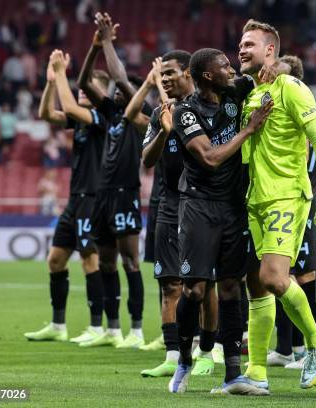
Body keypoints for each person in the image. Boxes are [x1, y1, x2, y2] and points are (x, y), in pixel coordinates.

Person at [232, 20, 316, 395]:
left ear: (270, 50)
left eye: (250, 44)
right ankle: (257, 373)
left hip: (287, 196)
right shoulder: (249, 92)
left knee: (274, 278)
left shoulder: (292, 88)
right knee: (257, 288)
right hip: (256, 200)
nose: (241, 50)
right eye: (240, 44)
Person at [167, 48, 272, 394]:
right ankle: (184, 358)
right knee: (195, 290)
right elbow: (210, 157)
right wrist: (250, 129)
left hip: (233, 205)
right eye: (224, 66)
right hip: (198, 204)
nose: (231, 69)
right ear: (207, 76)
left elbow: (263, 74)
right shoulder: (185, 112)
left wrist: (268, 68)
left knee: (230, 286)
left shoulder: (234, 91)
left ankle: (232, 373)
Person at [263, 55, 316, 367]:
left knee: (306, 274)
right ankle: (288, 347)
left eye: (280, 75)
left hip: (302, 200)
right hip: (287, 198)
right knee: (286, 274)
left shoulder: (303, 109)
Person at [24, 50, 109, 344]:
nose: (81, 92)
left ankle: (97, 327)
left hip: (93, 199)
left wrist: (61, 72)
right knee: (55, 260)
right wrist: (51, 82)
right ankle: (58, 326)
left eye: (87, 89)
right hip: (75, 200)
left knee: (89, 259)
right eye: (80, 89)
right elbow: (46, 114)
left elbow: (71, 109)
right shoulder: (81, 121)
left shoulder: (102, 118)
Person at [76, 13, 149, 348]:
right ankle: (111, 328)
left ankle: (135, 331)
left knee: (130, 261)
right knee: (105, 260)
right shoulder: (110, 114)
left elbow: (119, 78)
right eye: (116, 93)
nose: (116, 95)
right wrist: (94, 48)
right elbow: (83, 82)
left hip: (125, 193)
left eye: (122, 92)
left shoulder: (140, 115)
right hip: (102, 194)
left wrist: (107, 42)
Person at [132, 51, 193, 377]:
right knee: (170, 284)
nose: (166, 79)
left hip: (202, 206)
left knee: (202, 285)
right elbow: (147, 159)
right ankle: (173, 356)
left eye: (171, 73)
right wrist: (164, 131)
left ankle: (207, 351)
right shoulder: (160, 114)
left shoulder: (208, 109)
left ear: (187, 72)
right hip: (168, 208)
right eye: (162, 74)